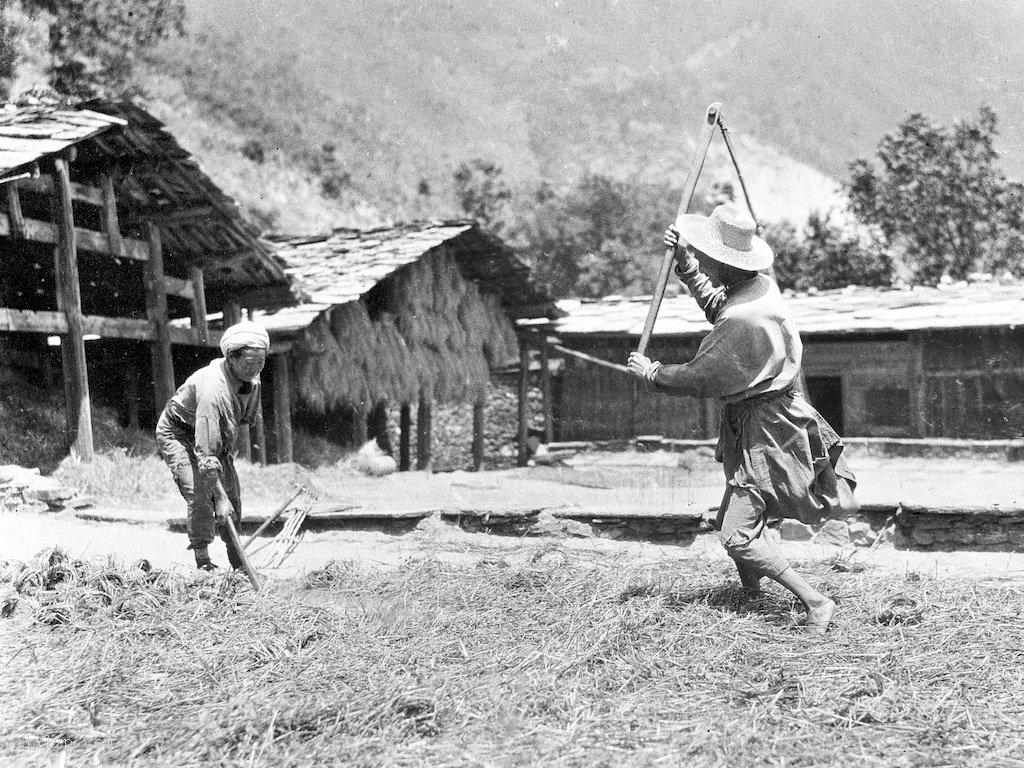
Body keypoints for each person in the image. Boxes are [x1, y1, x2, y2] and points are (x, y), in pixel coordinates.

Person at [626, 203, 857, 634]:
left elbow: (702, 376)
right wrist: (688, 265)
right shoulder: (758, 288)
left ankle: (816, 601)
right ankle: (752, 595)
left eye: (706, 253)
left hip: (765, 428)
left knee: (736, 531)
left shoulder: (742, 318)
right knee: (741, 515)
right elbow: (720, 305)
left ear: (727, 261)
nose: (704, 257)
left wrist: (654, 372)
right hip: (765, 417)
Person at [156, 320, 270, 571]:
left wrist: (226, 490)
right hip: (179, 433)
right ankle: (203, 561)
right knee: (201, 494)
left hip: (210, 433)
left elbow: (236, 423)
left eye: (260, 363)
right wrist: (219, 497)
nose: (256, 369)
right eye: (250, 363)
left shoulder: (252, 378)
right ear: (231, 357)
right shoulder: (212, 390)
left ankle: (238, 562)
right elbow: (205, 452)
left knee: (233, 497)